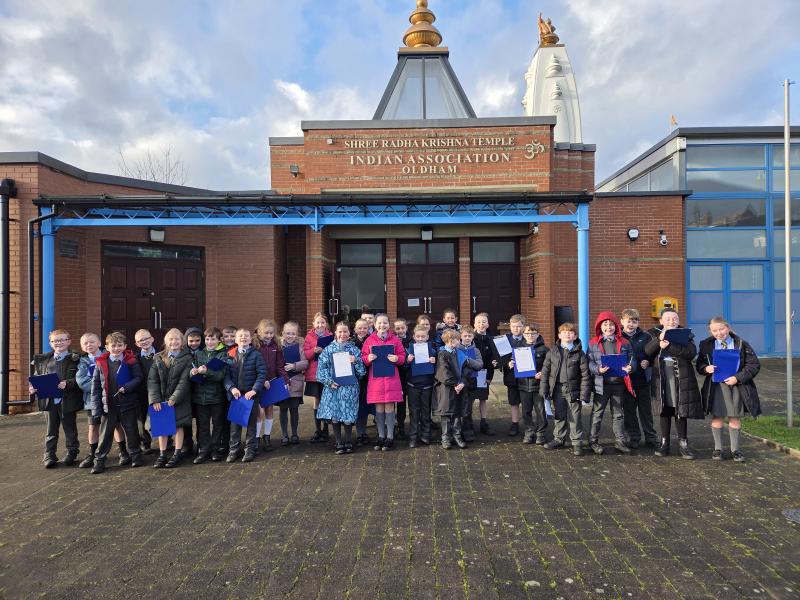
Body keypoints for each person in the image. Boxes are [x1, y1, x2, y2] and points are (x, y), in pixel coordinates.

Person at [696, 316, 761, 462]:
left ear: (728, 328)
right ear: (710, 332)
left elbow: (754, 365)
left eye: (722, 329)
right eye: (715, 331)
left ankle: (735, 450)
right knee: (717, 417)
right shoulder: (706, 345)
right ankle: (718, 449)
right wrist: (706, 368)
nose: (719, 333)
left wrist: (738, 378)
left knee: (734, 417)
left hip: (736, 386)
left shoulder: (741, 344)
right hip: (716, 387)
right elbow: (699, 365)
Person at [643, 308, 703, 460]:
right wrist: (659, 340)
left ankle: (683, 443)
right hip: (661, 377)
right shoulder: (653, 333)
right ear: (661, 321)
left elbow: (691, 353)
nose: (672, 321)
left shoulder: (686, 334)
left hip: (680, 376)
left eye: (675, 318)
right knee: (665, 409)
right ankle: (664, 443)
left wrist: (669, 346)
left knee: (680, 410)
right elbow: (647, 351)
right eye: (668, 319)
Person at [89, 332, 144, 474]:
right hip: (109, 406)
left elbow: (138, 378)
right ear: (107, 347)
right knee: (105, 435)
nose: (116, 348)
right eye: (113, 346)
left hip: (128, 404)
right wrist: (96, 409)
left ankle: (136, 456)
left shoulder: (131, 361)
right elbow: (95, 387)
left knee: (132, 431)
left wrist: (127, 387)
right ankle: (99, 461)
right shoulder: (100, 363)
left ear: (125, 346)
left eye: (120, 345)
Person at [30, 329, 82, 468]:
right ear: (50, 343)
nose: (58, 343)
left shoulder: (76, 359)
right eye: (55, 341)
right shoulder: (43, 360)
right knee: (51, 430)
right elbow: (37, 377)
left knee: (70, 429)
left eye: (62, 340)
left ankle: (72, 452)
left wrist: (68, 383)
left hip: (68, 400)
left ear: (69, 341)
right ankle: (49, 455)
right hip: (49, 400)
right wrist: (33, 387)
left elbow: (81, 379)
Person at [587, 311, 635, 455]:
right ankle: (593, 441)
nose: (609, 327)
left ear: (616, 326)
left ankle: (620, 442)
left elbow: (632, 359)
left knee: (618, 414)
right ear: (600, 327)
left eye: (611, 324)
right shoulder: (593, 343)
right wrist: (598, 369)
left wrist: (631, 367)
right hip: (601, 385)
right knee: (597, 414)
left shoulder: (625, 342)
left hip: (619, 384)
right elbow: (589, 362)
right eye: (605, 324)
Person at [541, 322, 591, 456]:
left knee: (575, 416)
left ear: (575, 336)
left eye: (570, 332)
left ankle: (577, 442)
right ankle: (559, 439)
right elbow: (545, 372)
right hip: (557, 389)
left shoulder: (580, 354)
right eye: (564, 332)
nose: (567, 334)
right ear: (559, 335)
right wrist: (544, 389)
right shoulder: (552, 352)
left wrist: (584, 394)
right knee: (559, 415)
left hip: (573, 390)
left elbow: (585, 375)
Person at [316, 321, 366, 454]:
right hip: (333, 388)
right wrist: (329, 381)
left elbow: (362, 372)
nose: (342, 334)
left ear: (350, 333)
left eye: (345, 331)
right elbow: (321, 369)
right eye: (340, 331)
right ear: (335, 333)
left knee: (348, 416)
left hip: (349, 388)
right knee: (335, 415)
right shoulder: (328, 350)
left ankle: (348, 441)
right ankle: (338, 442)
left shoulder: (354, 350)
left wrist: (356, 361)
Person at [148, 328, 193, 469]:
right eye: (171, 339)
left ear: (182, 342)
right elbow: (152, 380)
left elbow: (184, 381)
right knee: (162, 427)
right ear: (166, 341)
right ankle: (162, 454)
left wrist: (174, 398)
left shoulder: (188, 358)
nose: (174, 342)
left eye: (177, 339)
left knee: (178, 425)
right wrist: (155, 400)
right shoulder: (158, 357)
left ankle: (177, 454)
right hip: (161, 400)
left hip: (179, 400)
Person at [361, 314, 407, 451]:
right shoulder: (369, 340)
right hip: (376, 381)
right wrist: (368, 358)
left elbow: (402, 356)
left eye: (385, 323)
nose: (382, 325)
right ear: (375, 325)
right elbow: (363, 357)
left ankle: (390, 437)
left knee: (390, 407)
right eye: (379, 323)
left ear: (389, 324)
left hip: (392, 379)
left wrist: (397, 358)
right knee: (379, 408)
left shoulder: (395, 340)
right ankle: (381, 436)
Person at [224, 328, 267, 463]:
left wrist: (254, 390)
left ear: (250, 339)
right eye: (240, 336)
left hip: (251, 396)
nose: (243, 338)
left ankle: (250, 449)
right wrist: (231, 388)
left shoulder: (256, 355)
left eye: (246, 336)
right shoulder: (230, 355)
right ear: (236, 340)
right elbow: (225, 375)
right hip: (236, 396)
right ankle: (234, 450)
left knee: (251, 424)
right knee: (235, 425)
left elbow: (262, 374)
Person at [620, 309, 658, 448]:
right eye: (628, 321)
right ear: (622, 321)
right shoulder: (618, 336)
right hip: (626, 381)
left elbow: (653, 354)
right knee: (629, 411)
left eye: (634, 321)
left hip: (643, 380)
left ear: (638, 323)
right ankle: (634, 437)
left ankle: (651, 437)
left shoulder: (646, 336)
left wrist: (649, 361)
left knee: (646, 411)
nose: (631, 324)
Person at [190, 327, 228, 463]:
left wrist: (206, 371)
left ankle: (215, 450)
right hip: (200, 396)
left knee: (217, 424)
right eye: (207, 339)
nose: (210, 342)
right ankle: (203, 451)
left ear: (219, 340)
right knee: (203, 426)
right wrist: (193, 372)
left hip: (217, 396)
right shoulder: (199, 354)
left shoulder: (222, 355)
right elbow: (192, 370)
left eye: (213, 339)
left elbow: (220, 375)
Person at [255, 318, 288, 453]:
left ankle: (267, 436)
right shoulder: (255, 345)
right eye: (266, 333)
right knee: (259, 412)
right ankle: (256, 438)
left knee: (269, 410)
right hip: (258, 383)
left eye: (271, 333)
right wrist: (261, 380)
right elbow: (253, 366)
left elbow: (280, 365)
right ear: (259, 332)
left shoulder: (276, 346)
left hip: (272, 382)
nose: (269, 336)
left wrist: (285, 380)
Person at [513, 323, 548, 445]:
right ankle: (529, 432)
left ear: (538, 334)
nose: (530, 335)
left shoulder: (544, 349)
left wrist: (543, 373)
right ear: (523, 334)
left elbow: (549, 365)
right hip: (523, 385)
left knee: (540, 410)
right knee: (526, 411)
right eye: (527, 333)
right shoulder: (518, 349)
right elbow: (514, 363)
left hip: (538, 386)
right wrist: (511, 364)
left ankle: (541, 433)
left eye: (533, 333)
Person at [434, 329, 467, 449]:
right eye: (457, 340)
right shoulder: (442, 354)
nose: (459, 341)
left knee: (457, 412)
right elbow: (443, 372)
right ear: (449, 341)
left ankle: (457, 435)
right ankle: (446, 437)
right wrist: (455, 384)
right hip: (446, 388)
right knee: (447, 413)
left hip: (459, 387)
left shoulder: (458, 353)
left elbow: (466, 368)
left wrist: (462, 382)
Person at [75, 332, 104, 469]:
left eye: (92, 342)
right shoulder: (82, 362)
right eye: (85, 343)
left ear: (99, 343)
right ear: (82, 347)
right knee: (93, 427)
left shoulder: (109, 356)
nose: (89, 345)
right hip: (91, 401)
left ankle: (123, 451)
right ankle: (93, 454)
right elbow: (82, 382)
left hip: (110, 398)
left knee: (116, 425)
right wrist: (101, 385)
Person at [405, 324, 436, 447]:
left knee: (426, 411)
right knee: (414, 412)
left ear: (427, 337)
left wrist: (434, 361)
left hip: (427, 386)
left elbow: (438, 368)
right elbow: (403, 368)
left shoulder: (432, 350)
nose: (420, 339)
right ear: (414, 337)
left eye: (423, 336)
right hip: (413, 385)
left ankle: (425, 435)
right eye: (418, 336)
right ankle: (413, 437)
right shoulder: (408, 350)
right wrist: (407, 361)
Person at [303, 312, 333, 443]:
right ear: (313, 324)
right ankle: (317, 430)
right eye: (318, 322)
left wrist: (324, 351)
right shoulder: (309, 337)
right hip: (314, 374)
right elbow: (305, 354)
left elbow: (334, 353)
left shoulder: (331, 336)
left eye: (322, 322)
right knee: (317, 401)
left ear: (326, 324)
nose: (320, 325)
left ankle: (325, 430)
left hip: (327, 374)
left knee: (326, 401)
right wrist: (313, 351)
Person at [279, 321, 308, 445]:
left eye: (293, 333)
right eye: (287, 333)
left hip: (296, 382)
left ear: (296, 334)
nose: (290, 336)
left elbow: (305, 362)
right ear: (283, 333)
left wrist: (294, 366)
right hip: (282, 383)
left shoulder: (300, 347)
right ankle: (284, 435)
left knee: (294, 410)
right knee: (283, 409)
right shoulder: (279, 347)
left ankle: (295, 434)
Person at [499, 314, 527, 436]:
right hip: (511, 376)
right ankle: (514, 424)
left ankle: (528, 425)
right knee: (514, 401)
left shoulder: (528, 338)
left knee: (527, 402)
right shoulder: (504, 340)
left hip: (526, 377)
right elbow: (501, 358)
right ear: (510, 327)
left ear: (523, 326)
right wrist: (507, 363)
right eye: (513, 326)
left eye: (519, 326)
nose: (516, 328)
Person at [457, 325, 484, 442]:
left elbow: (479, 365)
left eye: (469, 336)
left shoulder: (476, 350)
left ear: (473, 337)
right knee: (458, 406)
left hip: (471, 382)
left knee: (468, 407)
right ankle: (457, 430)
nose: (467, 338)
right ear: (460, 336)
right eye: (465, 336)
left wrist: (468, 360)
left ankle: (467, 430)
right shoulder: (456, 348)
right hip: (459, 382)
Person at [471, 313, 494, 436]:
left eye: (484, 322)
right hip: (471, 373)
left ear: (488, 324)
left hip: (484, 374)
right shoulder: (470, 338)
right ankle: (468, 422)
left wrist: (490, 376)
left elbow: (493, 360)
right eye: (478, 322)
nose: (481, 324)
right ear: (474, 324)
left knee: (483, 399)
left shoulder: (491, 339)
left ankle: (483, 423)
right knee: (469, 398)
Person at [134, 329, 156, 454]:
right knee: (141, 418)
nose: (144, 341)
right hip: (141, 392)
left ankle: (167, 441)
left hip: (158, 391)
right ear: (137, 344)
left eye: (146, 338)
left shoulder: (161, 355)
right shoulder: (134, 358)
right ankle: (144, 442)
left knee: (162, 415)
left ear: (152, 339)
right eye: (141, 340)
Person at [352, 318, 374, 445]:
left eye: (365, 328)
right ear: (355, 329)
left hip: (370, 377)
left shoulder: (372, 340)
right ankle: (359, 433)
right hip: (355, 379)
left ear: (369, 328)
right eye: (359, 328)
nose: (362, 330)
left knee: (366, 406)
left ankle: (364, 432)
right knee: (358, 406)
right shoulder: (351, 342)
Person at [393, 318, 412, 440]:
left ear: (406, 328)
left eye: (402, 328)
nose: (400, 330)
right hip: (395, 376)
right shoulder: (392, 341)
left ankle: (402, 426)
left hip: (408, 376)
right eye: (397, 328)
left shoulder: (412, 341)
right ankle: (395, 425)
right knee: (395, 403)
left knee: (404, 403)